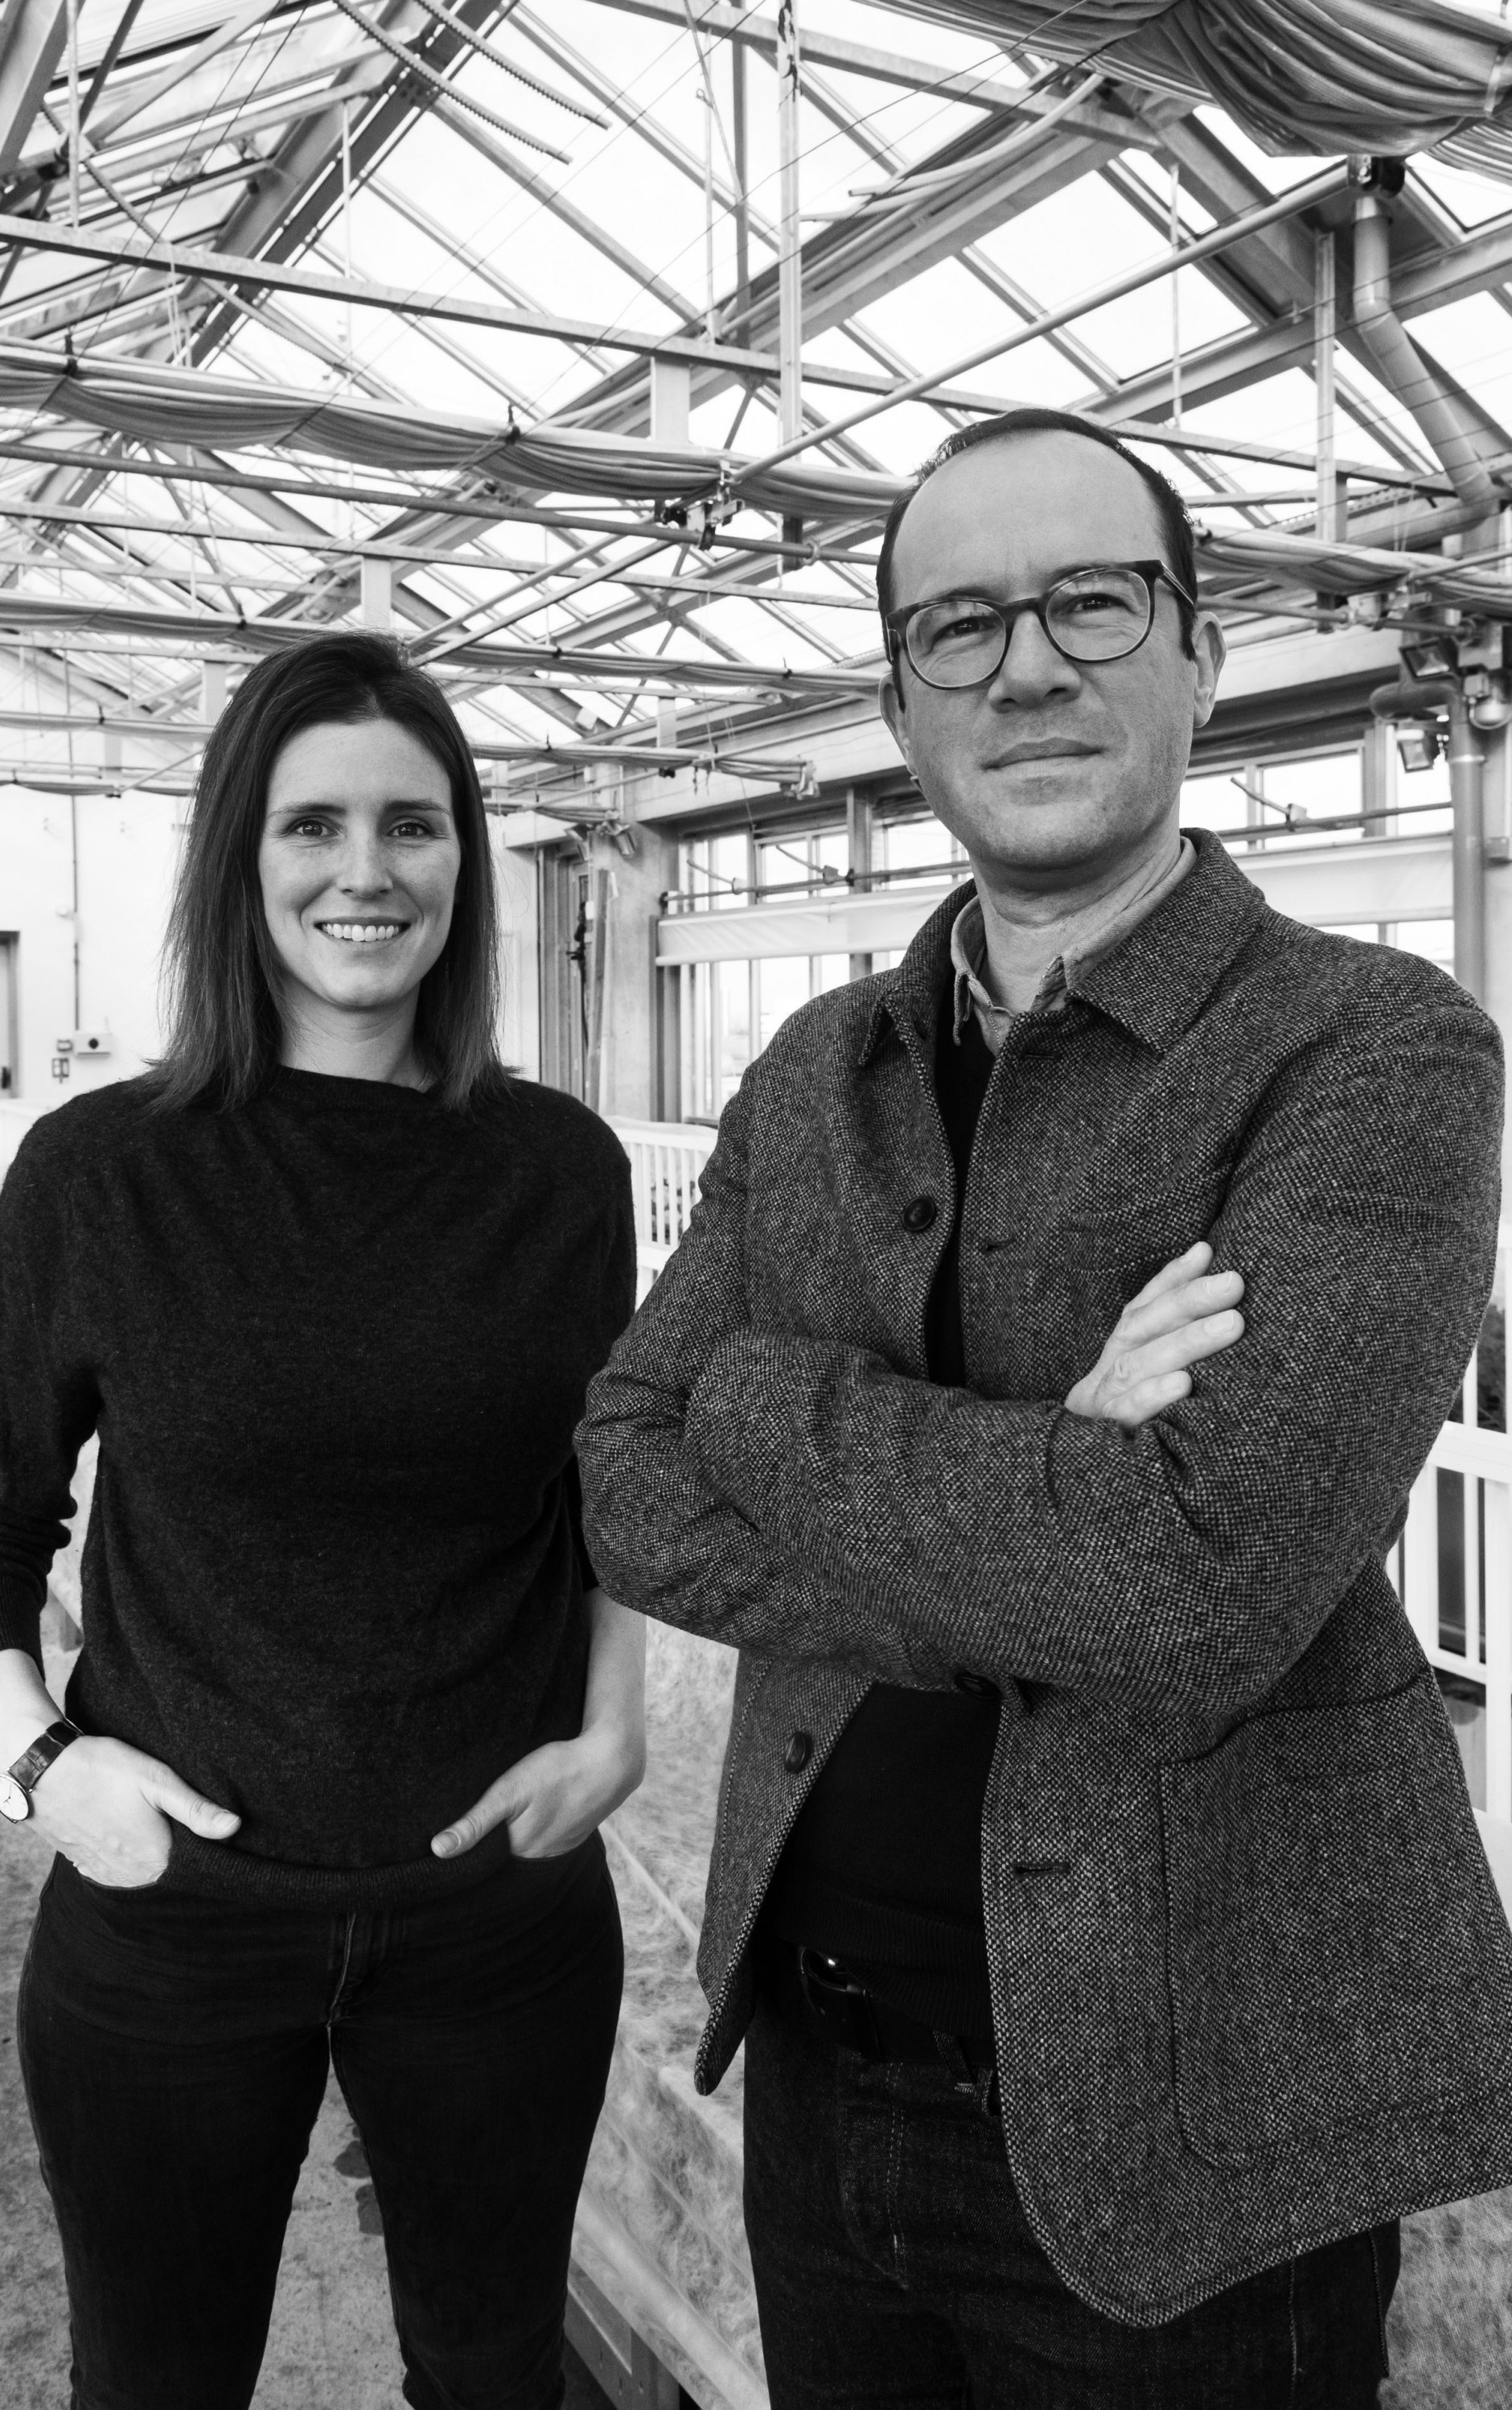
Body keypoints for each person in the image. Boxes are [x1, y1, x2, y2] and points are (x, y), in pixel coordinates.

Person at [577, 407, 1512, 2407]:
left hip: (1193, 2126)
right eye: (960, 624)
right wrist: (1056, 1482)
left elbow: (1192, 1591)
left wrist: (765, 1397)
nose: (1025, 665)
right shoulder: (818, 1067)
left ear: (1198, 653)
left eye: (1090, 602)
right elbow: (624, 1479)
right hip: (820, 2065)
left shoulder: (1372, 1051)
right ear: (899, 705)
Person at [0, 631, 643, 2410]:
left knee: (493, 2374)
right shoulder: (105, 1171)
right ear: (240, 856)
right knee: (157, 2383)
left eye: (412, 823)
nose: (363, 871)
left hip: (495, 1916)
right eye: (312, 824)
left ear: (465, 859)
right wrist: (39, 1768)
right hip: (174, 1915)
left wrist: (618, 1729)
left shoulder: (561, 1171)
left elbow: (613, 1488)